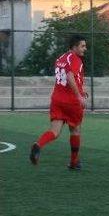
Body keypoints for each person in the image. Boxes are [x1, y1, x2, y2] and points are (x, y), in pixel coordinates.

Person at [30, 35, 88, 170]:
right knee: (75, 130)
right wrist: (79, 96)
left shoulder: (60, 59)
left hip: (57, 99)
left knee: (54, 131)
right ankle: (74, 163)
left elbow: (68, 77)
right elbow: (69, 76)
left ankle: (38, 145)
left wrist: (80, 90)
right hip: (72, 102)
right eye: (82, 46)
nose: (85, 49)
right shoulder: (75, 59)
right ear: (74, 47)